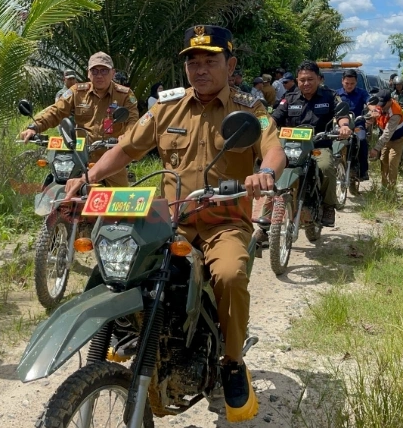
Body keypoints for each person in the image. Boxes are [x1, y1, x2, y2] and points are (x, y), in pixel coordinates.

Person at [64, 25, 285, 423]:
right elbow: (126, 148)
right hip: (173, 221)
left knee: (231, 275)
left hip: (224, 223)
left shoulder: (249, 109)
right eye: (193, 62)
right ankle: (131, 334)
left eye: (210, 61)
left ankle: (232, 363)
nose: (200, 69)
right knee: (121, 265)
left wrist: (263, 173)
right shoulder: (165, 108)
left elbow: (272, 149)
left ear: (230, 64)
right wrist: (88, 177)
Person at [19, 52, 139, 187]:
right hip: (79, 157)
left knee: (120, 201)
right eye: (95, 71)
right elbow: (56, 111)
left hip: (111, 159)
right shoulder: (77, 92)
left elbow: (133, 120)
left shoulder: (124, 95)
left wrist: (127, 136)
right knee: (61, 196)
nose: (99, 75)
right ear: (88, 73)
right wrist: (34, 127)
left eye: (104, 71)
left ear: (113, 73)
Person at [267, 61, 352, 228]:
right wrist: (262, 126)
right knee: (271, 170)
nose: (306, 83)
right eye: (302, 80)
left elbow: (341, 113)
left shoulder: (329, 95)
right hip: (292, 147)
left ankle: (328, 206)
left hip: (318, 146)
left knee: (326, 167)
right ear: (297, 80)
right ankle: (265, 224)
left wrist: (343, 126)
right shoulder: (290, 97)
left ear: (319, 79)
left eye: (310, 79)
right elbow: (275, 117)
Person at [367, 89, 403, 189]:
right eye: (379, 104)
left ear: (390, 101)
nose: (381, 107)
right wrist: (370, 118)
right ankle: (384, 186)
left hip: (398, 138)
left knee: (392, 162)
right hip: (386, 139)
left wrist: (376, 149)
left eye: (383, 104)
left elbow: (387, 133)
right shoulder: (379, 104)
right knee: (383, 159)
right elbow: (370, 107)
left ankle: (391, 188)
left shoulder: (395, 112)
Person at [336, 69, 371, 181]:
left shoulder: (362, 93)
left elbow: (370, 102)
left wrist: (373, 110)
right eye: (347, 83)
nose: (349, 86)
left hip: (357, 125)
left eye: (352, 83)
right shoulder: (336, 94)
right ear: (342, 81)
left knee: (361, 140)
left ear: (356, 82)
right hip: (339, 126)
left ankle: (363, 170)